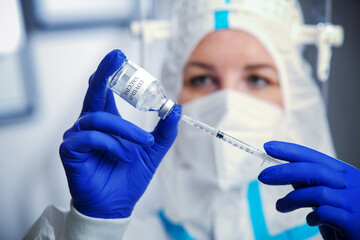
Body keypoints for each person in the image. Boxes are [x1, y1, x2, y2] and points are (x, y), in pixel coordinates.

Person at [25, 0, 360, 239]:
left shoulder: (337, 232)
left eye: (257, 79)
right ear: (176, 92)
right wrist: (93, 227)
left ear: (295, 99)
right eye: (202, 79)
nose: (228, 103)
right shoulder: (127, 234)